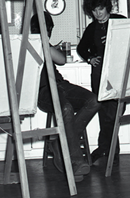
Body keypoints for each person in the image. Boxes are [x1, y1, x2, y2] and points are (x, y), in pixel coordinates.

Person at [31, 11, 100, 182]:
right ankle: (76, 162)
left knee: (94, 100)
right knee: (66, 108)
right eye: (44, 29)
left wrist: (45, 43)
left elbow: (61, 60)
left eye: (49, 29)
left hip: (60, 84)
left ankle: (59, 143)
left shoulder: (45, 44)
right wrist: (39, 41)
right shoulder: (27, 44)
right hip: (43, 91)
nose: (47, 32)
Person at [77, 0, 126, 165]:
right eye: (94, 10)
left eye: (100, 9)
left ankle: (107, 149)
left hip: (119, 73)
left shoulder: (121, 21)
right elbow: (81, 48)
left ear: (107, 7)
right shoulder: (91, 29)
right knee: (103, 113)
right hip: (99, 74)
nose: (97, 14)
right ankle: (109, 150)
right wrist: (90, 58)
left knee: (113, 114)